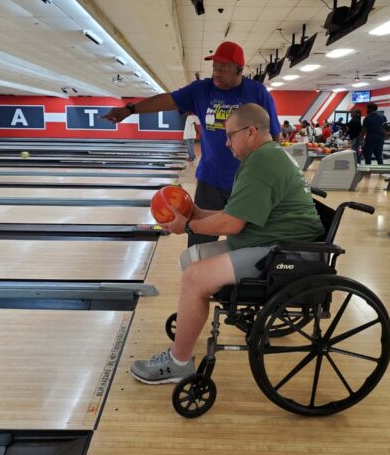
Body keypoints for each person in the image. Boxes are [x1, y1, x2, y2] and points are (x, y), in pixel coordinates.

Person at [130, 103, 324, 385]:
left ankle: (178, 363)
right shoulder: (263, 157)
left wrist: (187, 225)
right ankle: (189, 330)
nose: (226, 142)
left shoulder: (262, 162)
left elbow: (232, 225)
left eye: (230, 135)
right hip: (270, 240)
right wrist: (197, 213)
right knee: (192, 258)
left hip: (287, 252)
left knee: (195, 277)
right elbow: (237, 215)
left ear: (251, 132)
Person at [100, 41, 281, 246]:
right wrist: (130, 109)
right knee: (199, 243)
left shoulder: (258, 93)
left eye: (223, 68)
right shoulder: (201, 90)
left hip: (247, 183)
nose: (216, 73)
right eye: (214, 68)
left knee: (245, 244)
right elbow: (166, 100)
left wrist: (272, 178)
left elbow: (274, 135)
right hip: (210, 181)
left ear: (239, 70)